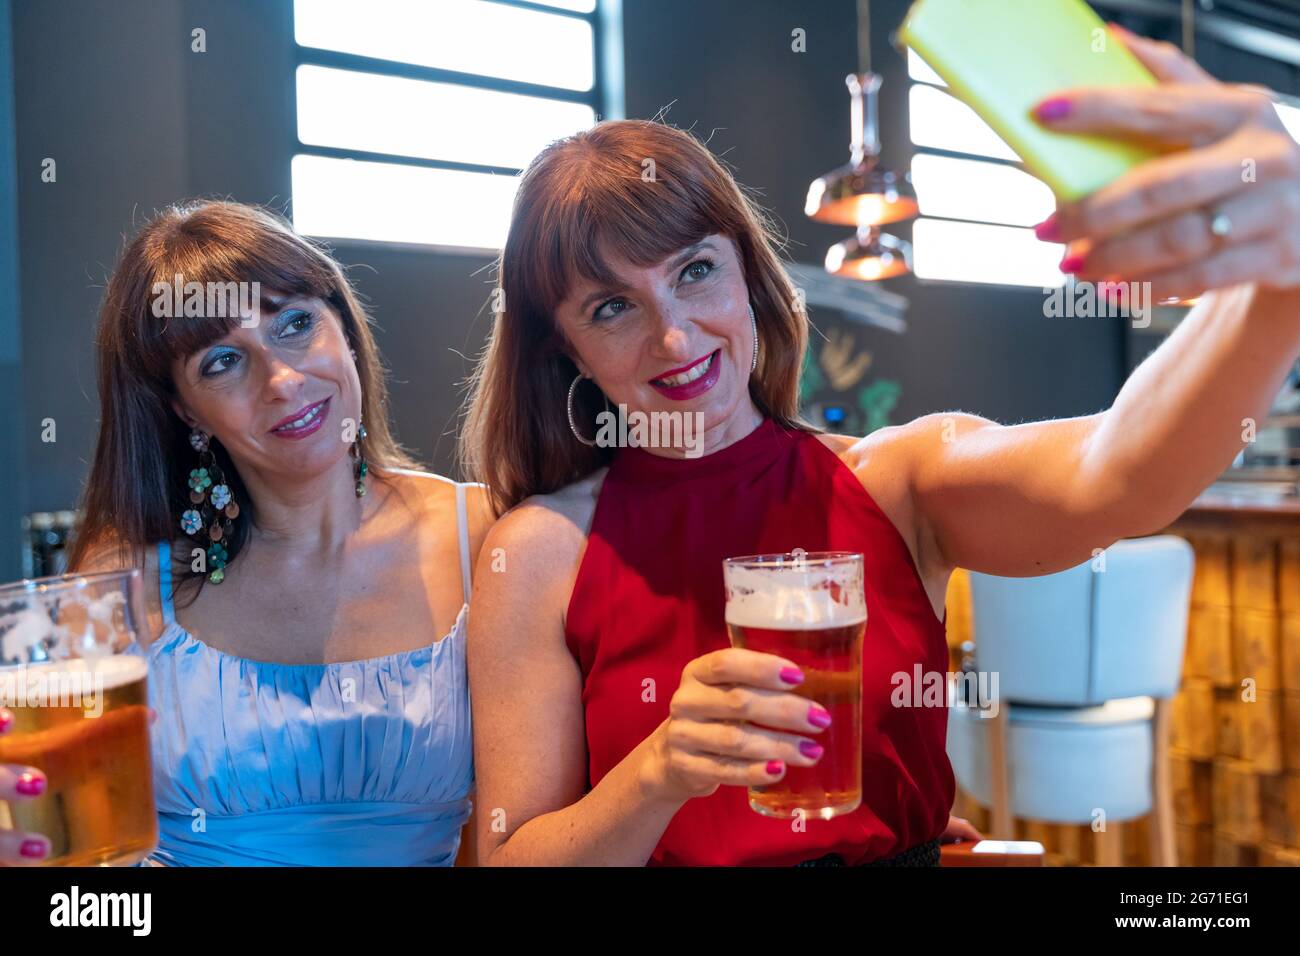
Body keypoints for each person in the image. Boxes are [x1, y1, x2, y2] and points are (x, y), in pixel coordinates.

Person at [459, 28, 1300, 865]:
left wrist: (1278, 278)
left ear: (749, 276)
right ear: (565, 351)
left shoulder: (893, 480)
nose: (675, 339)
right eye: (612, 308)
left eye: (694, 271)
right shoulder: (538, 554)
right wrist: (656, 774)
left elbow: (1123, 473)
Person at [0, 201, 491, 866]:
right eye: (223, 361)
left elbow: (521, 834)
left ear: (343, 327)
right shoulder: (129, 572)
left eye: (296, 323)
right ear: (183, 409)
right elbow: (76, 870)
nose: (282, 381)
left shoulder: (483, 537)